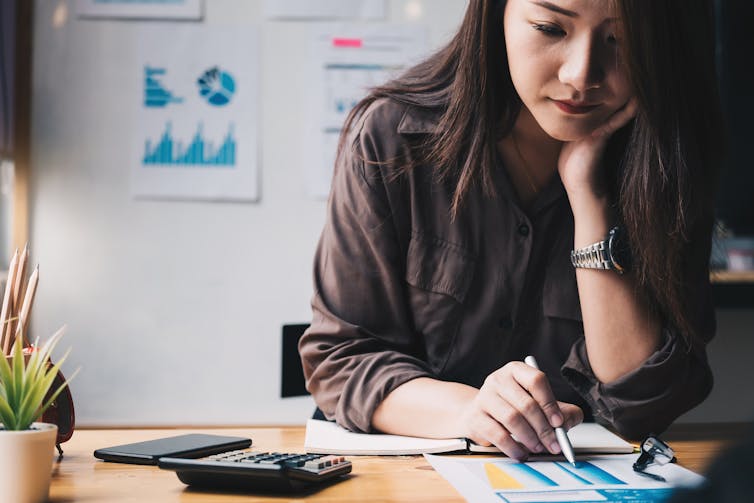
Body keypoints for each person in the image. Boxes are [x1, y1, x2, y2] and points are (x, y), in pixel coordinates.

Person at [300, 0, 723, 461]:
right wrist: (473, 411)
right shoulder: (392, 137)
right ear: (495, 15)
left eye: (620, 41)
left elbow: (644, 403)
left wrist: (589, 198)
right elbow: (341, 358)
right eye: (550, 28)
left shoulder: (668, 162)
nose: (582, 75)